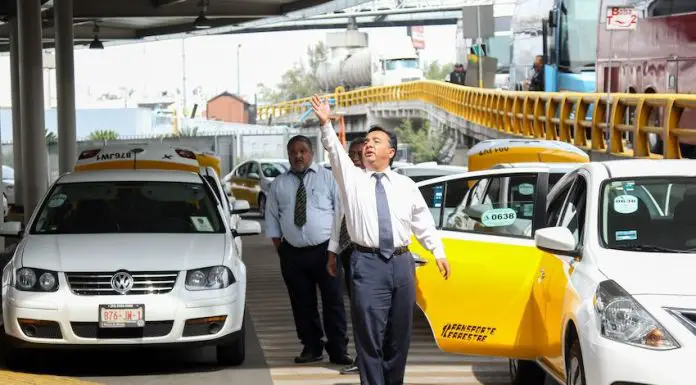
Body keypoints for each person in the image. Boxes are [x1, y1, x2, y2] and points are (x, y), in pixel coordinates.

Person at [311, 95, 451, 385]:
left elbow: (423, 221)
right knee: (369, 338)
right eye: (366, 142)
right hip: (368, 264)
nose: (368, 145)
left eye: (376, 140)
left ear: (391, 151)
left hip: (402, 264)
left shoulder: (406, 185)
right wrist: (326, 124)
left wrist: (438, 251)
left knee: (399, 338)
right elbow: (335, 152)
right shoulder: (352, 179)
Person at [265, 135, 353, 366]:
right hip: (293, 253)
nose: (298, 156)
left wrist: (334, 250)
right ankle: (311, 347)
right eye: (293, 152)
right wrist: (281, 249)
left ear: (312, 153)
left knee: (333, 301)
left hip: (327, 251)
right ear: (288, 155)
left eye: (302, 151)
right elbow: (272, 218)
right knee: (302, 303)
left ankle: (338, 349)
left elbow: (340, 214)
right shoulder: (279, 184)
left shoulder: (328, 178)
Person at [326, 136, 366, 375]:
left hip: (367, 253)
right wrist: (332, 252)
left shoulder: (373, 182)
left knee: (367, 309)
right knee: (357, 308)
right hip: (347, 252)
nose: (356, 159)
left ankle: (372, 360)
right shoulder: (346, 183)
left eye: (360, 154)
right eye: (352, 154)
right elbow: (338, 217)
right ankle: (363, 358)